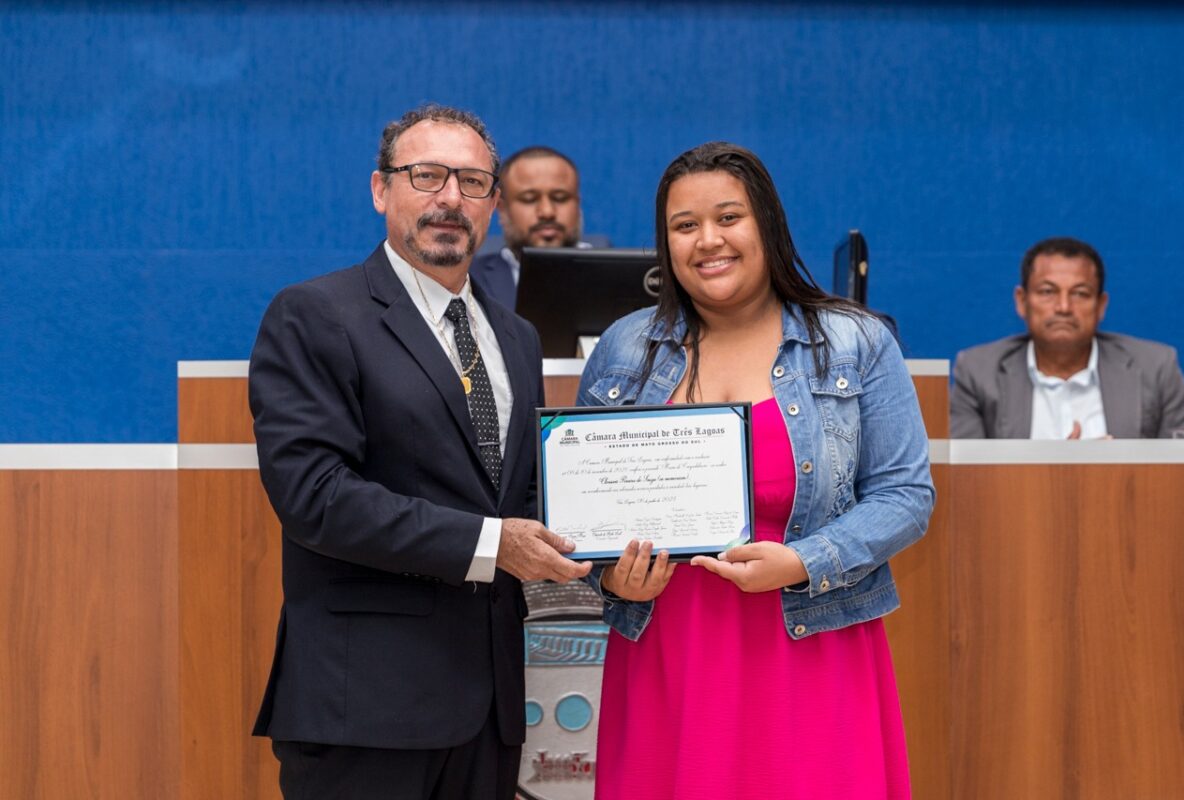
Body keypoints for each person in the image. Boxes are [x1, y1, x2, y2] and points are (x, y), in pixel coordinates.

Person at [247, 104, 591, 800]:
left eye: (471, 181)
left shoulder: (516, 337)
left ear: (493, 203)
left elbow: (517, 499)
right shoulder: (316, 314)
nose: (449, 199)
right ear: (381, 190)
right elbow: (316, 497)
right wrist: (496, 544)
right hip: (366, 710)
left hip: (491, 711)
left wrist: (612, 556)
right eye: (426, 175)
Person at [576, 142, 934, 799]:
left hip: (809, 648)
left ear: (767, 225)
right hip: (666, 653)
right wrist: (615, 579)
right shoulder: (624, 347)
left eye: (728, 218)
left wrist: (803, 561)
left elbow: (906, 495)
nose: (707, 241)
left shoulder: (854, 341)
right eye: (684, 226)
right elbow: (584, 510)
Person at [951, 237, 1184, 438]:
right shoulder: (979, 373)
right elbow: (964, 478)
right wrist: (1061, 471)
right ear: (1022, 301)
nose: (1064, 307)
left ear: (1101, 305)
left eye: (1080, 293)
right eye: (1048, 292)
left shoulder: (1155, 368)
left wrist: (1112, 473)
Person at [469, 146, 587, 309]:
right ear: (502, 209)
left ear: (577, 204)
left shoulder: (616, 278)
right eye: (529, 199)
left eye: (560, 198)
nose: (547, 212)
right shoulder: (468, 281)